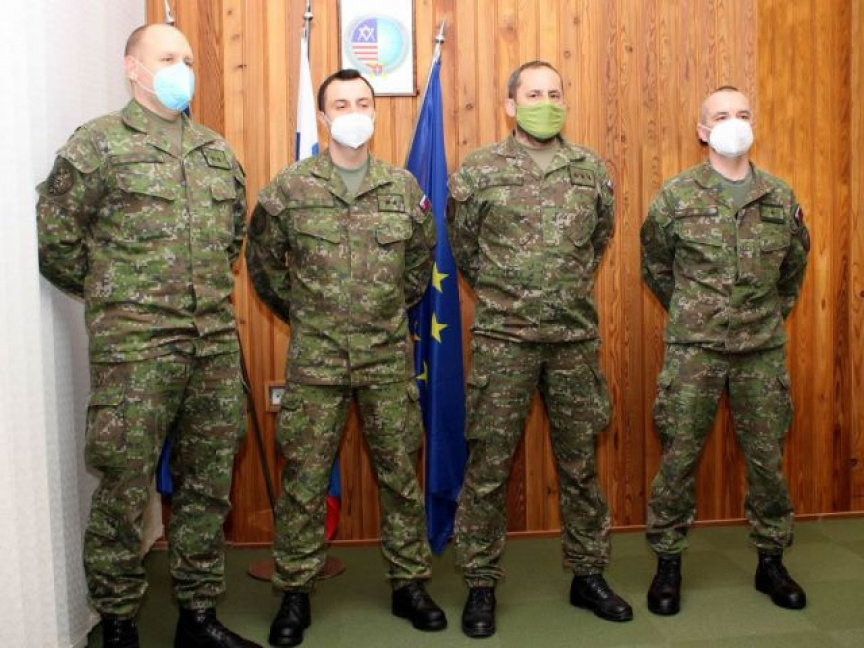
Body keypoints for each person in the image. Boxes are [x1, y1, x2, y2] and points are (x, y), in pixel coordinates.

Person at [36, 23, 260, 648]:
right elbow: (57, 243)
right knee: (123, 488)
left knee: (208, 483)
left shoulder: (216, 152)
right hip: (135, 348)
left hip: (212, 343)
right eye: (167, 57)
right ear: (133, 68)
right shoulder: (97, 145)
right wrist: (121, 298)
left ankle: (198, 617)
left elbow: (231, 242)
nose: (182, 68)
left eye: (187, 58)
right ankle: (118, 625)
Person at [245, 69, 446, 647]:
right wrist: (310, 316)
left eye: (362, 102)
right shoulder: (290, 189)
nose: (353, 111)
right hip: (318, 361)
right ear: (323, 117)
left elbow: (418, 269)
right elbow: (264, 266)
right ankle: (294, 591)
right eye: (341, 104)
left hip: (386, 358)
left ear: (375, 113)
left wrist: (379, 314)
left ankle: (409, 584)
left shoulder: (403, 189)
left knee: (399, 476)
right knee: (304, 480)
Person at [448, 60, 632, 639]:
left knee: (580, 466)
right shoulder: (479, 171)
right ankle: (480, 583)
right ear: (510, 105)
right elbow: (465, 250)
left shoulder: (590, 171)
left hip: (572, 340)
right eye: (533, 94)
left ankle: (588, 574)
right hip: (504, 340)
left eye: (554, 93)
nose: (545, 103)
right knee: (488, 467)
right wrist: (512, 297)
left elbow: (597, 241)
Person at [641, 86, 810, 616]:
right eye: (720, 115)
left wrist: (762, 315)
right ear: (702, 130)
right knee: (678, 456)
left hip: (760, 348)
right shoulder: (675, 197)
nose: (732, 122)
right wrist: (695, 312)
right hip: (695, 349)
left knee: (766, 459)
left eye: (741, 114)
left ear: (753, 123)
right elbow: (656, 266)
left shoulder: (779, 196)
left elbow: (794, 270)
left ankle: (771, 560)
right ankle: (668, 562)